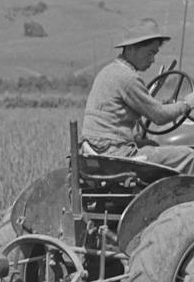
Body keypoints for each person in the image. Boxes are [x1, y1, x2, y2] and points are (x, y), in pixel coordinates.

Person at [80, 18, 194, 172]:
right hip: (117, 153)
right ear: (132, 48)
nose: (153, 60)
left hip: (97, 148)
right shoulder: (128, 78)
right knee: (189, 155)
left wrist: (166, 105)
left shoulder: (108, 71)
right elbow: (159, 116)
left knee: (152, 146)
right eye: (150, 53)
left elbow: (146, 108)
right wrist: (186, 104)